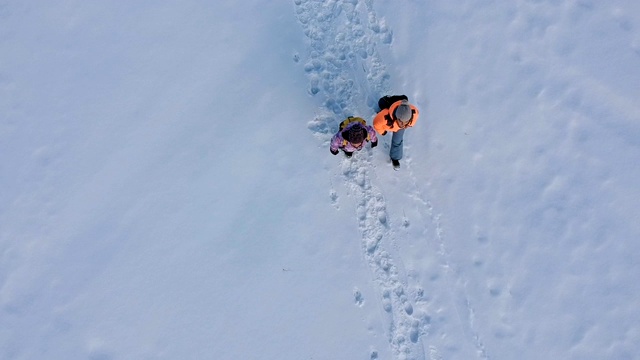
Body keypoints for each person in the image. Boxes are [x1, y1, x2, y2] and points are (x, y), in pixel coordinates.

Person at [372, 95, 420, 170]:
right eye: (400, 121)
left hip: (397, 122)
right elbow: (376, 123)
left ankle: (395, 158)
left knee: (397, 140)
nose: (402, 124)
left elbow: (410, 122)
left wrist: (408, 125)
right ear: (396, 117)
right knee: (381, 103)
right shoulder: (385, 116)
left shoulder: (414, 115)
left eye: (406, 121)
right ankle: (387, 99)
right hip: (388, 104)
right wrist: (383, 132)